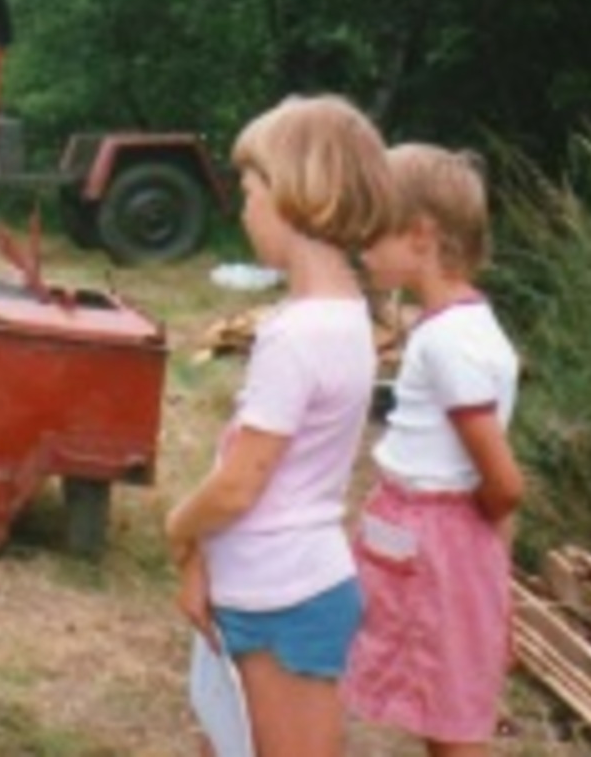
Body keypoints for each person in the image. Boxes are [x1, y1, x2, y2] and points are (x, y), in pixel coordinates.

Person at [165, 93, 396, 756]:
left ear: (300, 194)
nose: (243, 210)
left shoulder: (299, 334)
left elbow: (239, 485)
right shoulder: (340, 316)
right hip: (257, 584)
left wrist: (179, 527)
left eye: (250, 192)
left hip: (285, 598)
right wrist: (200, 563)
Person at [343, 145, 524, 756]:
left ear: (421, 235)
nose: (362, 247)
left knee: (449, 712)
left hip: (436, 542)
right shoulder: (459, 326)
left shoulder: (448, 343)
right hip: (419, 534)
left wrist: (463, 532)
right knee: (439, 698)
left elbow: (504, 483)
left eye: (373, 231)